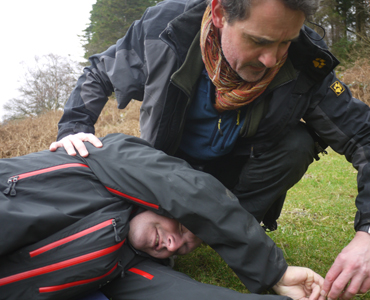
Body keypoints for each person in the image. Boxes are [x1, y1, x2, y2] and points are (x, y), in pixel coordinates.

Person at [49, 0, 370, 299]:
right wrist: (75, 127)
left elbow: (364, 134)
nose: (272, 59)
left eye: (285, 41)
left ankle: (229, 236)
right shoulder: (165, 29)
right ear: (219, 14)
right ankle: (159, 236)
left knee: (298, 143)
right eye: (258, 41)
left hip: (237, 173)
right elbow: (98, 72)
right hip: (166, 173)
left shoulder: (304, 61)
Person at [0, 133, 325, 300]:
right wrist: (274, 270)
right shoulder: (98, 156)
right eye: (183, 225)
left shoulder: (121, 266)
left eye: (184, 249)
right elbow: (187, 188)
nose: (173, 244)